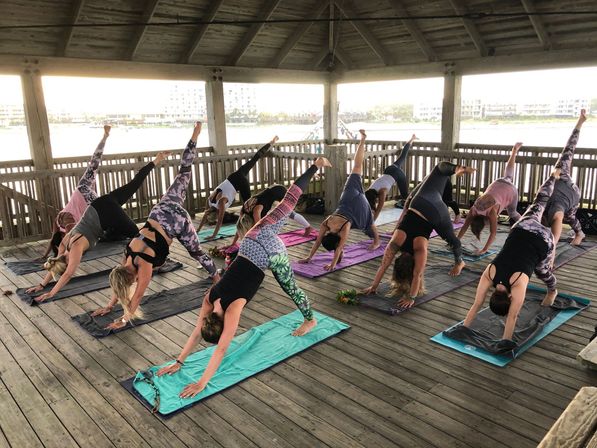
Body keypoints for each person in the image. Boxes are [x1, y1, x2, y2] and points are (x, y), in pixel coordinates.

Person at [155, 157, 332, 398]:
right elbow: (197, 332)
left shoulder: (233, 309)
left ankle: (310, 320)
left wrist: (202, 382)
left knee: (290, 288)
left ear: (223, 325)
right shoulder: (210, 299)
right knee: (289, 202)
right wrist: (178, 361)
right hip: (252, 236)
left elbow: (221, 349)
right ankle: (316, 164)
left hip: (270, 252)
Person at [92, 122, 220, 329]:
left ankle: (216, 278)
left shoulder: (143, 266)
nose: (133, 284)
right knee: (184, 171)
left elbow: (138, 295)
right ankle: (195, 133)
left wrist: (123, 320)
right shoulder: (126, 256)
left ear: (131, 278)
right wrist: (109, 306)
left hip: (177, 221)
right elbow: (119, 281)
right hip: (161, 209)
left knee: (196, 252)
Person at [25, 150, 170, 302]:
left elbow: (67, 274)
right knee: (133, 184)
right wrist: (41, 285)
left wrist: (50, 293)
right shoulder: (64, 244)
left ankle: (157, 259)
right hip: (98, 204)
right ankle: (157, 160)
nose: (68, 268)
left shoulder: (75, 250)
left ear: (66, 263)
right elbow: (55, 264)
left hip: (106, 213)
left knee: (138, 235)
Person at [462, 166, 561, 341]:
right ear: (493, 294)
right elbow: (476, 305)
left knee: (542, 271)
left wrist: (506, 342)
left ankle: (553, 291)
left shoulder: (517, 284)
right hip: (521, 227)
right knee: (539, 202)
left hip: (543, 239)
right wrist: (463, 328)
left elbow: (512, 316)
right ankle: (552, 177)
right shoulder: (489, 274)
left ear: (510, 296)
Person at [362, 161, 476, 308]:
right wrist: (374, 286)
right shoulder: (396, 242)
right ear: (398, 260)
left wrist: (411, 297)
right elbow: (384, 266)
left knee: (453, 240)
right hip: (421, 201)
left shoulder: (419, 249)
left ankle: (460, 262)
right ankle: (456, 168)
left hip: (436, 214)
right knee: (438, 170)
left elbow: (418, 275)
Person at [300, 130, 380, 271]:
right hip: (347, 197)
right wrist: (309, 258)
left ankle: (377, 242)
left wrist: (331, 264)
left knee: (367, 222)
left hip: (358, 205)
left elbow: (338, 247)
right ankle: (362, 140)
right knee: (357, 167)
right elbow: (319, 241)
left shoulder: (344, 229)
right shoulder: (326, 223)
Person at [40, 125, 111, 259]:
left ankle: (105, 137)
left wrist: (59, 256)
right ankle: (104, 137)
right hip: (81, 190)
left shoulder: (67, 223)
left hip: (89, 200)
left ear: (61, 238)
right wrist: (45, 255)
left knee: (108, 211)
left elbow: (69, 243)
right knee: (94, 163)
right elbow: (52, 240)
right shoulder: (58, 220)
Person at [196, 136, 278, 240]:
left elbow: (220, 221)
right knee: (254, 159)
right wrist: (197, 230)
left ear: (216, 213)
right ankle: (271, 142)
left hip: (240, 182)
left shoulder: (220, 203)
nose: (217, 218)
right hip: (233, 176)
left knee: (249, 206)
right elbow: (205, 215)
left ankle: (256, 226)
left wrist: (213, 236)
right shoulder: (209, 201)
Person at [457, 142, 523, 255]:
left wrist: (484, 250)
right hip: (497, 183)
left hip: (510, 191)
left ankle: (527, 225)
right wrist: (456, 242)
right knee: (508, 176)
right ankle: (514, 151)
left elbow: (493, 233)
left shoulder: (490, 212)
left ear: (484, 223)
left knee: (512, 213)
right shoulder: (473, 209)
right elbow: (464, 226)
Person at [542, 109, 587, 247]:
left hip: (561, 180)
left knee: (567, 151)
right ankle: (580, 233)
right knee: (570, 217)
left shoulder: (555, 215)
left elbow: (570, 146)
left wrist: (580, 122)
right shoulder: (550, 213)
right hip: (569, 194)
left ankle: (579, 234)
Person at [225, 184, 313, 249]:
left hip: (279, 191)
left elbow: (260, 230)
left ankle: (308, 227)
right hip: (272, 189)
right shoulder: (243, 211)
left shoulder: (256, 211)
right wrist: (233, 243)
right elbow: (239, 227)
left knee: (289, 213)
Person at [365, 134, 416, 220]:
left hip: (398, 174)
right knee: (402, 157)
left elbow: (378, 210)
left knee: (405, 197)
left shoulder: (382, 192)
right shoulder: (369, 190)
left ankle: (416, 200)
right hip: (389, 170)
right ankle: (412, 139)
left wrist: (372, 223)